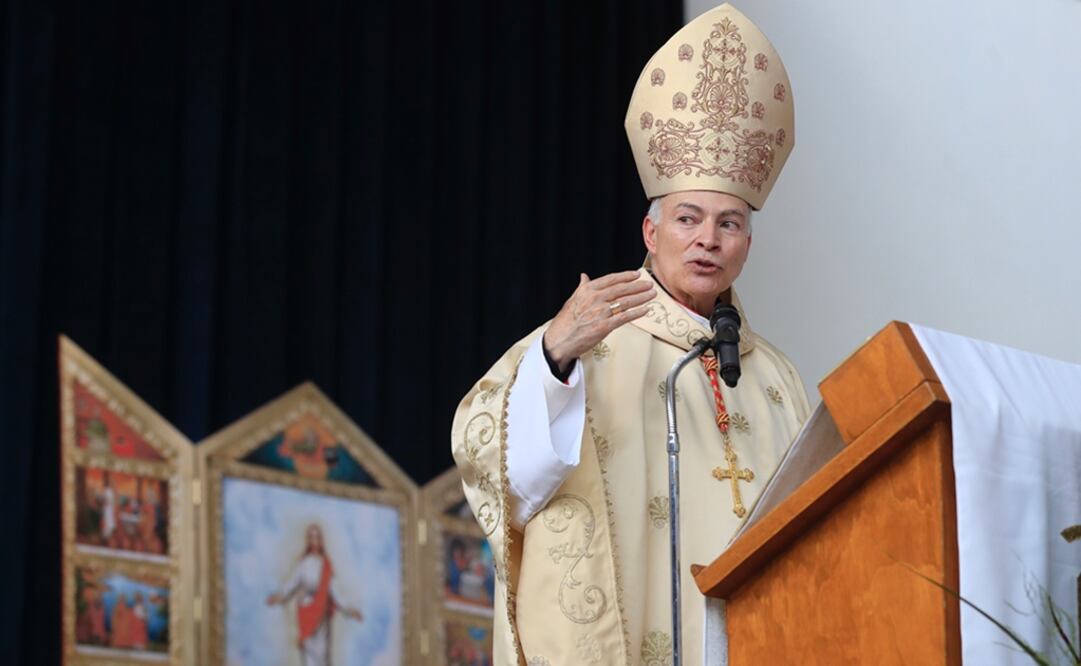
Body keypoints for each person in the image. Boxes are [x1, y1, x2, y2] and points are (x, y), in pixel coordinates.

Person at [451, 4, 810, 664]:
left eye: (728, 224)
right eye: (687, 218)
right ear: (650, 232)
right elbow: (504, 473)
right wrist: (554, 360)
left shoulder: (777, 378)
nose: (707, 239)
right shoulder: (592, 339)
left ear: (747, 244)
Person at [266, 523, 363, 666]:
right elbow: (291, 585)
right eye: (311, 537)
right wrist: (279, 597)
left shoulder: (326, 565)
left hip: (321, 617)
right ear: (308, 540)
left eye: (317, 537)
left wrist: (349, 610)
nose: (314, 540)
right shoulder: (303, 564)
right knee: (308, 659)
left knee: (322, 658)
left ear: (321, 540)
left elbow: (335, 591)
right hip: (306, 613)